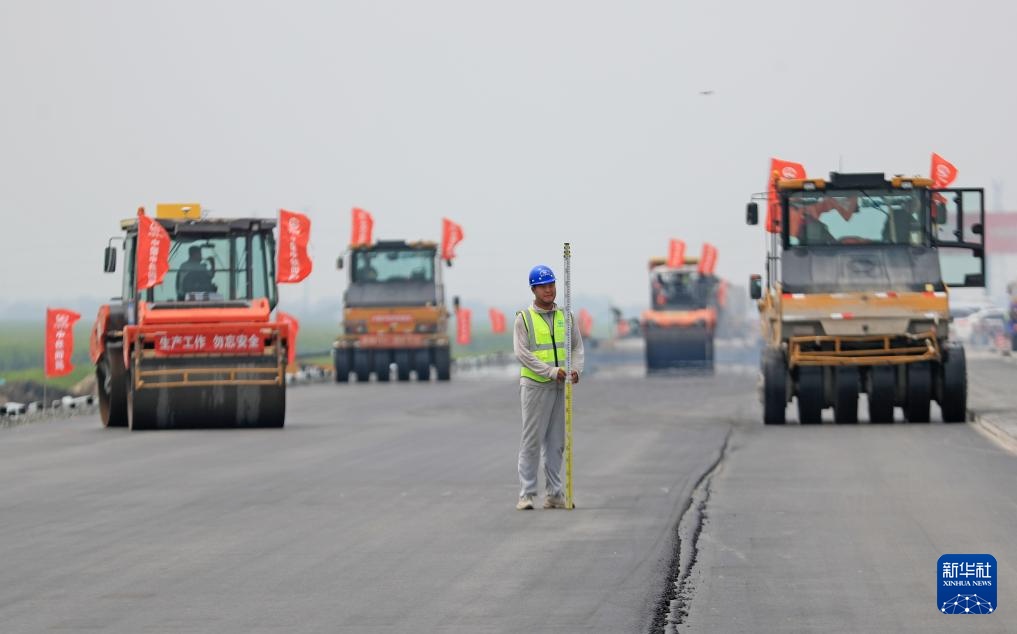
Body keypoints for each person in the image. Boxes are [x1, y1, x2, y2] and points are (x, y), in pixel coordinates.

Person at [513, 264, 584, 510]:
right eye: (543, 286)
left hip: (560, 387)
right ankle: (526, 494)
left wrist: (575, 369)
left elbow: (576, 347)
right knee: (532, 440)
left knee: (556, 442)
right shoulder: (524, 319)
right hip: (535, 385)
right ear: (534, 289)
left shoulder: (567, 316)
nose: (549, 290)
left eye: (552, 284)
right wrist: (550, 371)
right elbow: (522, 354)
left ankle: (555, 494)